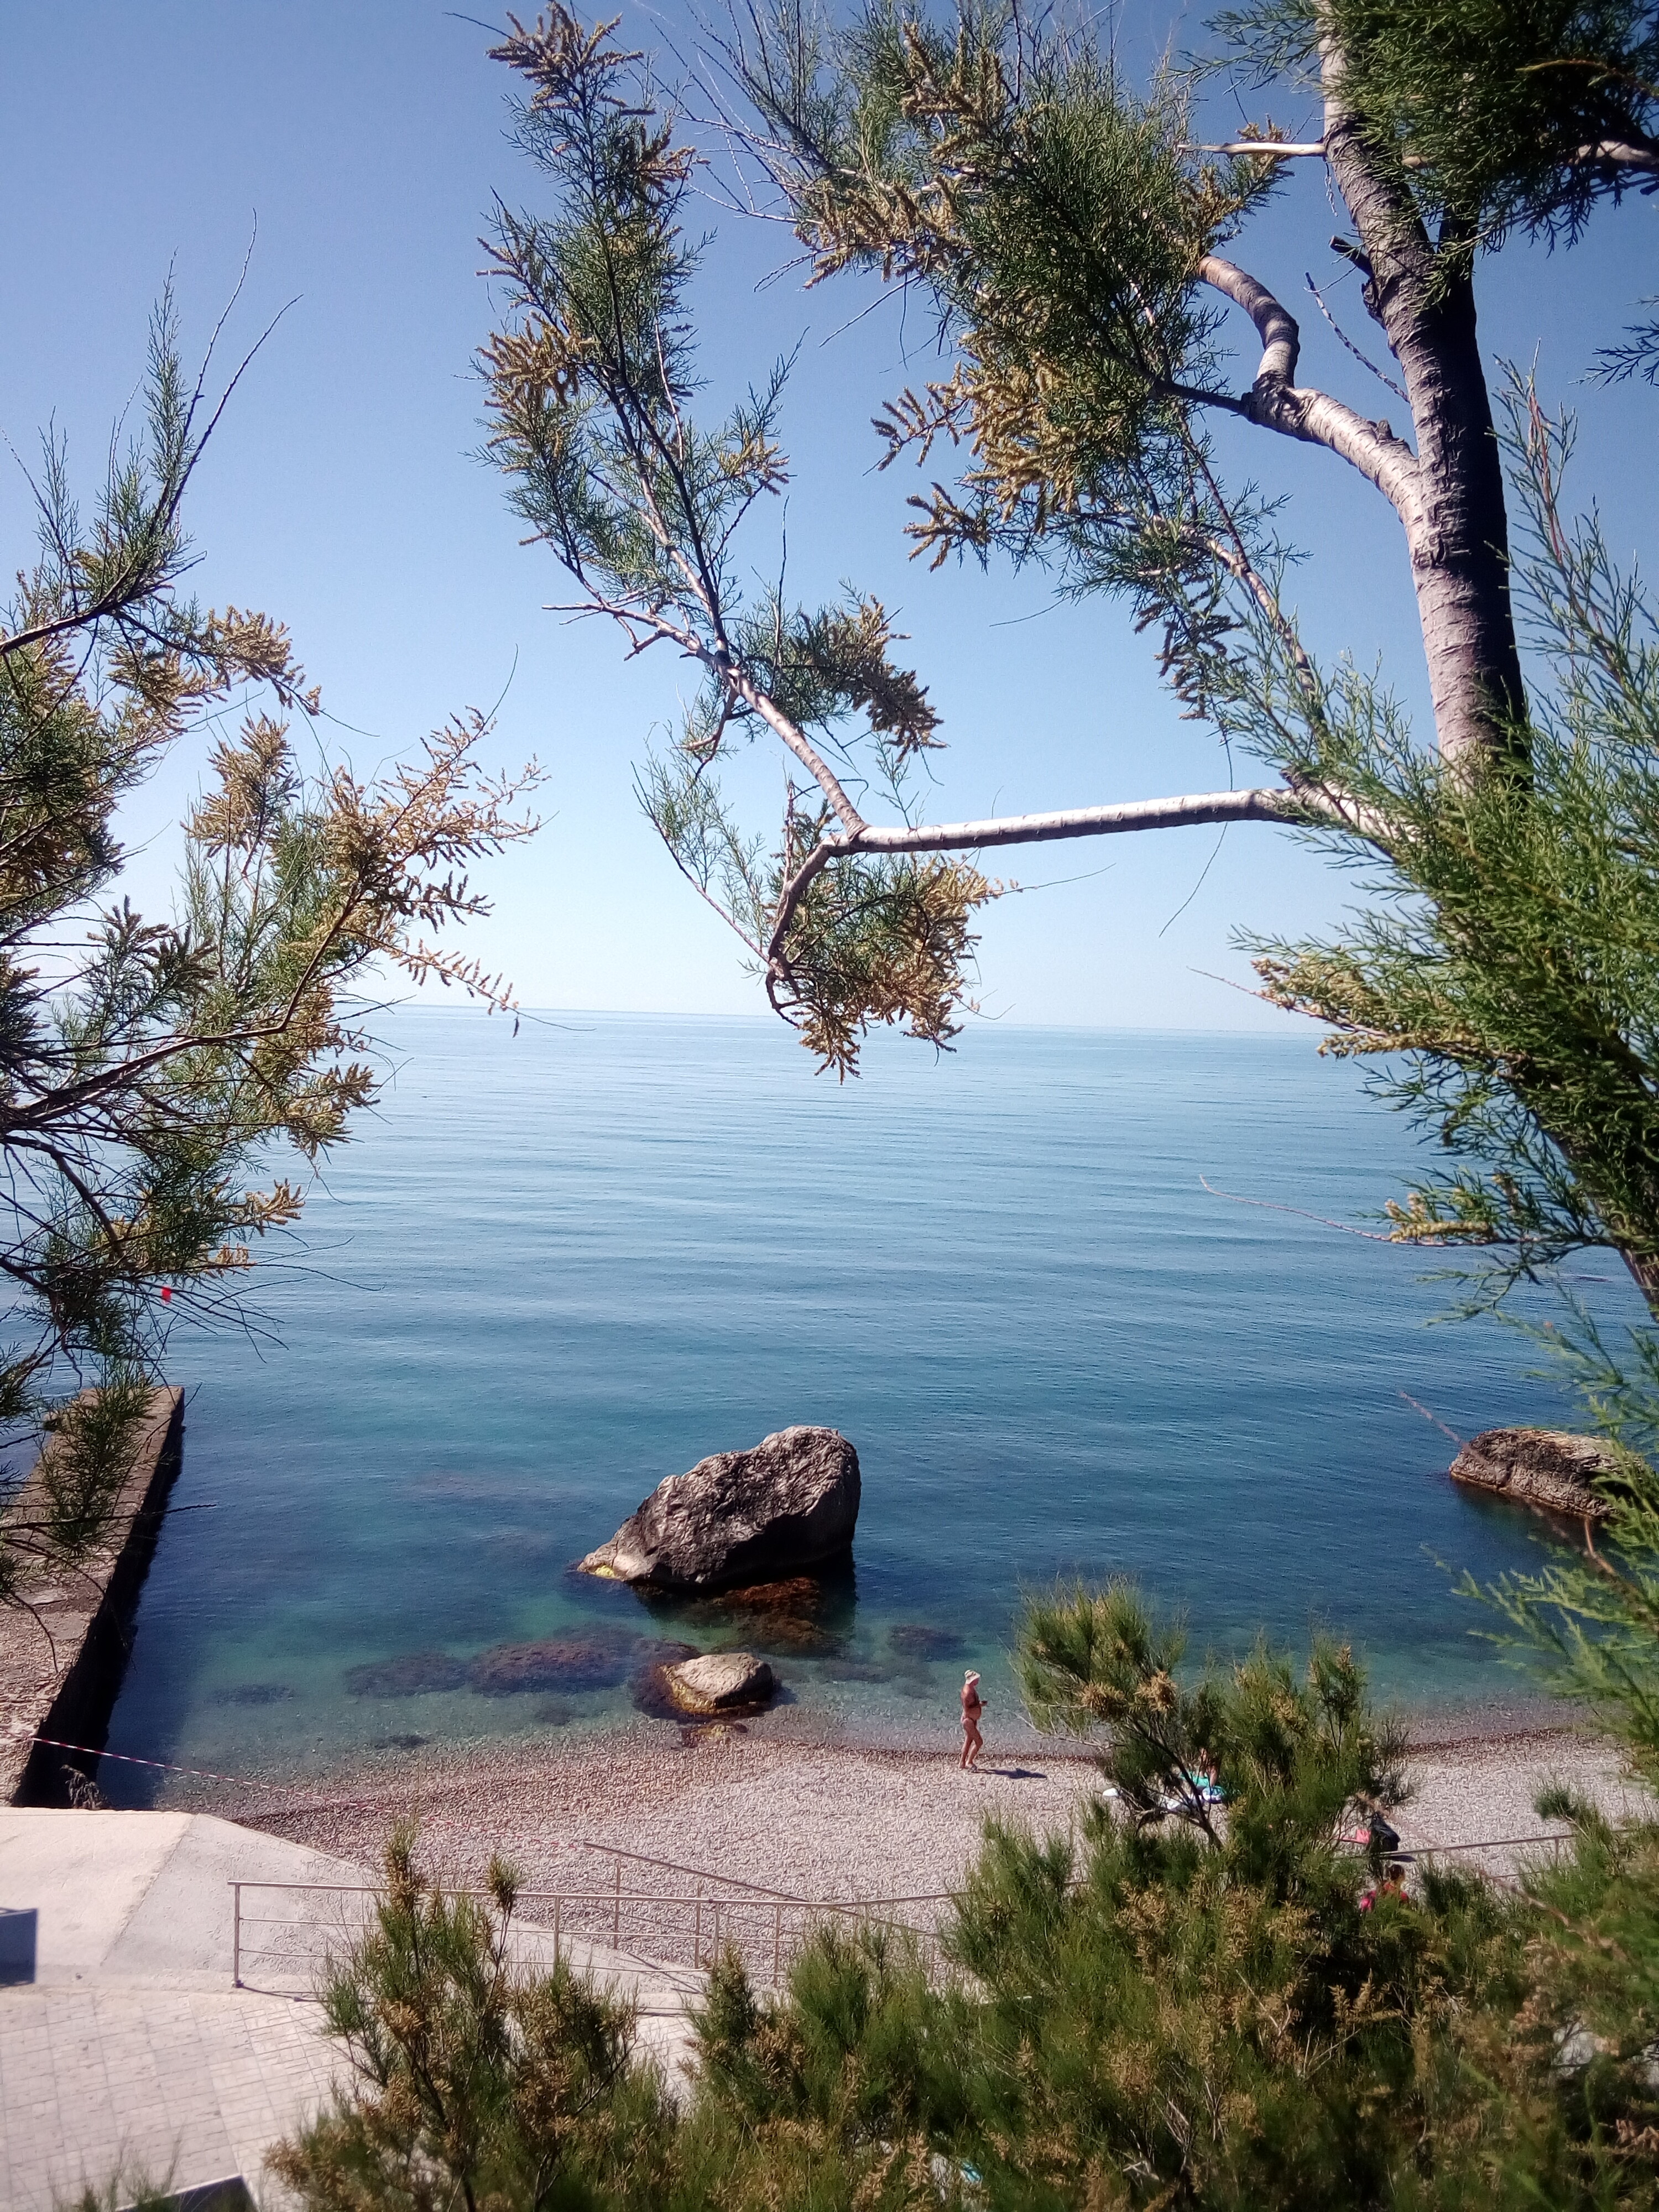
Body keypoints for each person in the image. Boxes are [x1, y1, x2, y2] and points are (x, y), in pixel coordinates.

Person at [960, 1669, 985, 1770]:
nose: (978, 1681)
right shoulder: (968, 1693)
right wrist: (980, 1705)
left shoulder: (970, 1689)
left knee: (968, 1741)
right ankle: (969, 1762)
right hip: (968, 1721)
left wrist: (978, 1705)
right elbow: (968, 1709)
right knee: (979, 1742)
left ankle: (962, 1762)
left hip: (970, 1719)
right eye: (976, 1679)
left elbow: (971, 1706)